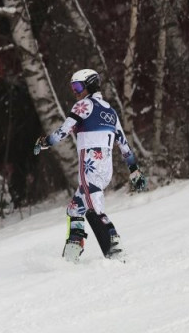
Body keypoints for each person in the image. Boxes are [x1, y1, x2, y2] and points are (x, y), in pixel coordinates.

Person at [33, 69, 147, 262]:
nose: (75, 92)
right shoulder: (111, 112)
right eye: (72, 88)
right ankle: (73, 249)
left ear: (91, 85)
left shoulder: (83, 106)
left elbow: (64, 129)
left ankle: (114, 247)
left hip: (90, 167)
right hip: (105, 169)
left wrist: (45, 142)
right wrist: (134, 171)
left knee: (95, 209)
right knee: (75, 208)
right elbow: (124, 145)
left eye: (78, 86)